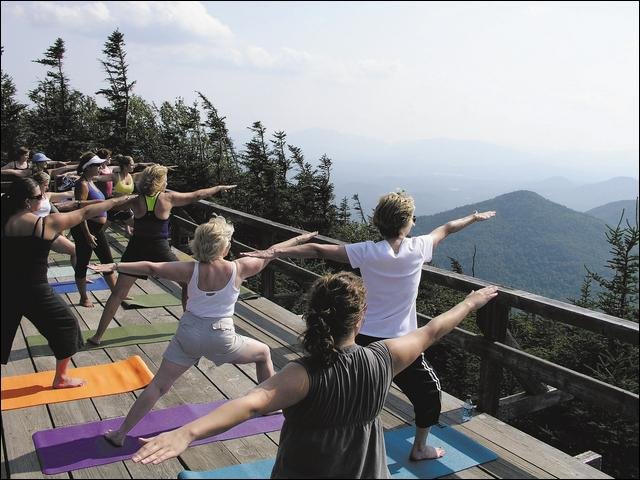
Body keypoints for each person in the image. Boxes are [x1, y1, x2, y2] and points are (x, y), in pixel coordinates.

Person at [130, 272, 498, 476]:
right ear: (360, 319)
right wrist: (471, 301)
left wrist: (188, 432)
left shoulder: (302, 374)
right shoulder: (384, 357)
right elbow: (434, 329)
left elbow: (251, 404)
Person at [242, 191, 496, 460]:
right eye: (412, 218)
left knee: (347, 391)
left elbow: (317, 249)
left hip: (362, 338)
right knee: (429, 393)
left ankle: (335, 441)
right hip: (402, 344)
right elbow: (446, 228)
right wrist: (473, 218)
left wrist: (274, 251)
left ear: (379, 222)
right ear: (406, 222)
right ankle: (420, 448)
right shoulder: (419, 247)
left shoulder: (367, 251)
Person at [88, 216, 316, 446]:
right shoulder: (240, 268)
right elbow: (273, 251)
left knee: (158, 385)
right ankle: (268, 406)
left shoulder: (189, 270)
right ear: (225, 247)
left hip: (188, 335)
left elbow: (150, 266)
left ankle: (120, 433)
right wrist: (300, 238)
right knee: (263, 352)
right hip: (221, 337)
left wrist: (115, 265)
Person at [1, 178, 135, 387]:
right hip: (34, 291)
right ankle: (61, 378)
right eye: (39, 196)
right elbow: (83, 214)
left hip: (7, 288)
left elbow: (79, 207)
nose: (44, 197)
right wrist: (118, 201)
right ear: (27, 202)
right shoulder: (44, 223)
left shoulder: (6, 219)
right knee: (67, 325)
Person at [86, 164, 237, 345]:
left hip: (137, 249)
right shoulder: (168, 198)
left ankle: (98, 336)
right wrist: (219, 188)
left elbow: (110, 204)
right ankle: (187, 328)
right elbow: (197, 195)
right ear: (161, 182)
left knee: (118, 293)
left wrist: (79, 206)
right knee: (187, 283)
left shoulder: (136, 200)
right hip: (160, 249)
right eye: (165, 179)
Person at [70, 152, 134, 307]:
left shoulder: (91, 182)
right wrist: (87, 235)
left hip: (96, 230)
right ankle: (83, 297)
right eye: (97, 165)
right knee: (83, 262)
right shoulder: (82, 184)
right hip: (86, 230)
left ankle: (116, 293)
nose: (100, 168)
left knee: (107, 260)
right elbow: (81, 213)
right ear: (88, 167)